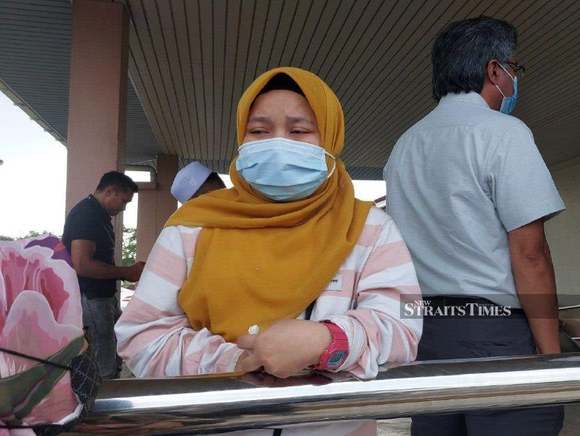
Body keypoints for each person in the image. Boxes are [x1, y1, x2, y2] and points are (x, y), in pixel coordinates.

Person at [116, 67, 422, 435]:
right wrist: (238, 360)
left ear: (330, 140)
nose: (278, 144)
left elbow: (405, 327)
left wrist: (327, 340)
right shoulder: (192, 228)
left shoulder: (371, 228)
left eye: (299, 130)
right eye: (259, 131)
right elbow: (141, 333)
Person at [384, 17, 565, 436]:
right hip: (493, 328)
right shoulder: (504, 134)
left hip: (425, 327)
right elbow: (530, 253)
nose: (514, 79)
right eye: (514, 69)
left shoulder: (405, 145)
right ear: (494, 71)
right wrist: (553, 358)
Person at [62, 171, 145, 379]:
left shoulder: (99, 215)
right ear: (110, 191)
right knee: (103, 360)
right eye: (124, 201)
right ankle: (102, 405)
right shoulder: (86, 214)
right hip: (91, 297)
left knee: (113, 347)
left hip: (102, 296)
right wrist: (127, 272)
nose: (124, 207)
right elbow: (82, 264)